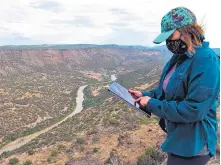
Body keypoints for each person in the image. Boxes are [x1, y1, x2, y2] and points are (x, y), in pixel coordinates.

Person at [128, 7, 220, 165]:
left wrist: (151, 104)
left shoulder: (206, 60)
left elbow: (194, 110)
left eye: (171, 35)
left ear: (187, 31)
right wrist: (143, 94)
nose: (169, 42)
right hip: (177, 138)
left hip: (193, 144)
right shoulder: (179, 57)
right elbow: (167, 92)